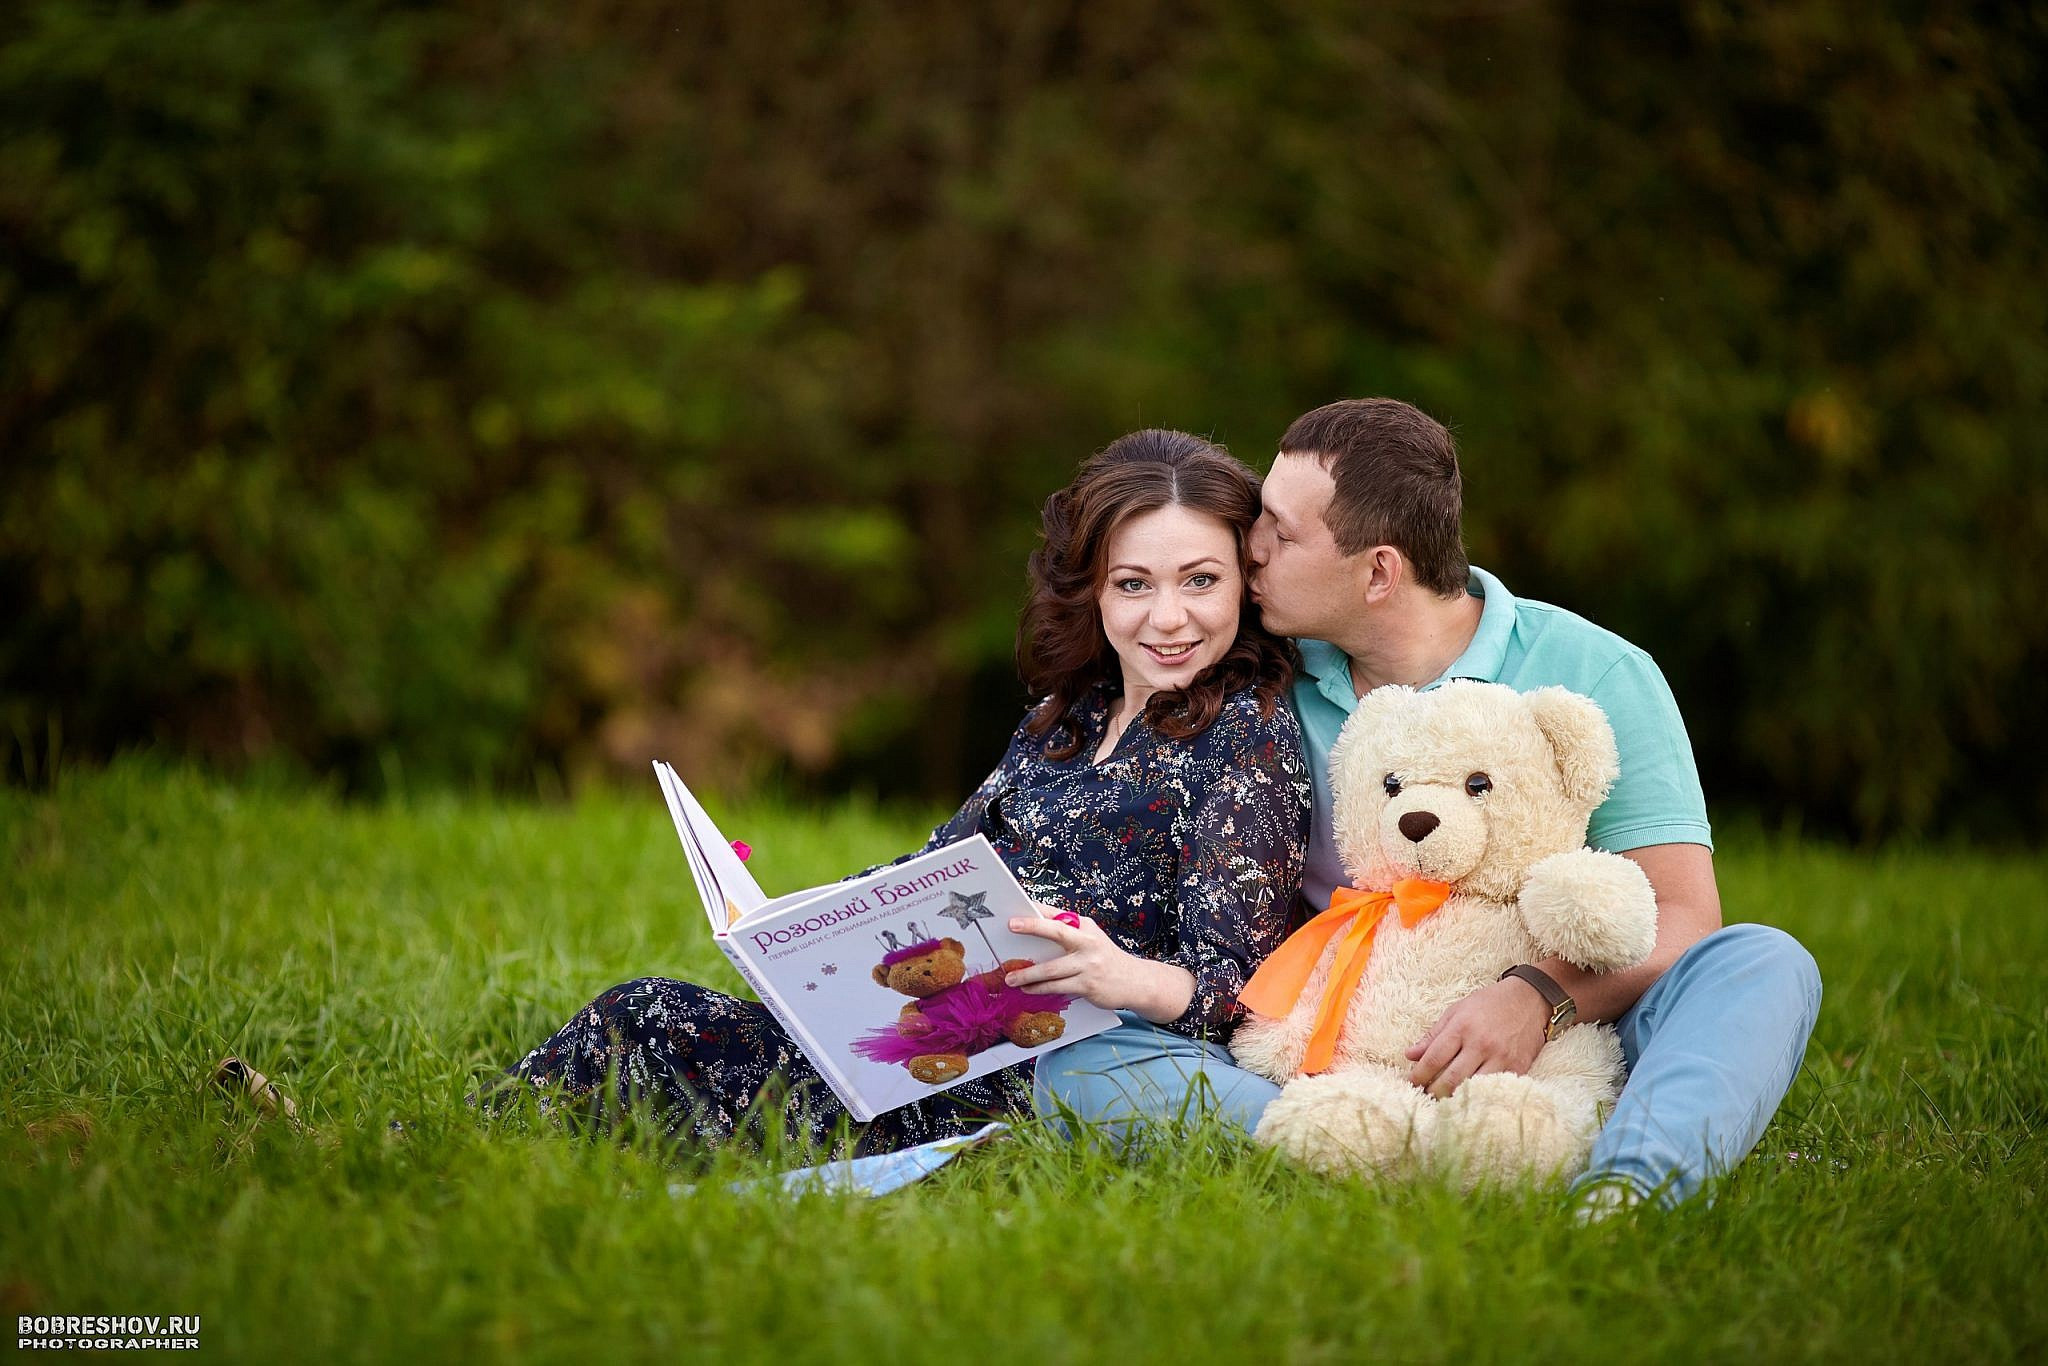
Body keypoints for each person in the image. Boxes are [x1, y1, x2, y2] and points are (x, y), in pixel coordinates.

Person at [1036, 398, 1823, 1210]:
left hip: (1569, 1031)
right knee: (1086, 1066)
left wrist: (1534, 998)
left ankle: (1625, 1194)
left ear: (1378, 571)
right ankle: (1402, 1157)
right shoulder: (1259, 674)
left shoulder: (1595, 669)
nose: (1249, 548)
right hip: (1354, 1043)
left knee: (1761, 964)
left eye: (1279, 530)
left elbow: (1682, 915)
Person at [484, 429, 1310, 1157]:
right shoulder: (1065, 719)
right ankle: (471, 1143)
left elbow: (1229, 991)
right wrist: (795, 923)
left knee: (653, 1036)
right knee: (643, 1014)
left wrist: (1115, 974)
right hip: (933, 1033)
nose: (1168, 618)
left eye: (1199, 580)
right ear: (1093, 590)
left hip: (1042, 1065)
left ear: (1245, 581)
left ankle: (480, 1150)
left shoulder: (1250, 737)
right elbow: (933, 868)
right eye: (1135, 584)